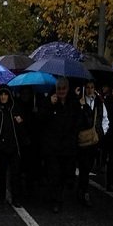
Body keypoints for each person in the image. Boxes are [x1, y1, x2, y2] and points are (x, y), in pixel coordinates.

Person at [37, 77, 81, 213]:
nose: (61, 91)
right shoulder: (49, 101)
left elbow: (77, 123)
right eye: (59, 89)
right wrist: (50, 105)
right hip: (52, 146)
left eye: (63, 89)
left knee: (63, 174)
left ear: (67, 89)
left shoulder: (73, 103)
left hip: (67, 147)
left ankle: (59, 196)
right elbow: (40, 120)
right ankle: (55, 199)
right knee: (54, 174)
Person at [0, 87, 26, 207]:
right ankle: (0, 197)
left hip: (14, 147)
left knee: (15, 174)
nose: (3, 97)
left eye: (5, 94)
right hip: (1, 147)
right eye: (1, 94)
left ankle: (16, 198)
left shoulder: (15, 109)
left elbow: (21, 129)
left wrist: (20, 122)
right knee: (1, 174)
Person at [76, 81, 109, 207]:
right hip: (82, 140)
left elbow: (105, 118)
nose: (90, 90)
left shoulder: (99, 102)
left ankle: (82, 189)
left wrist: (101, 133)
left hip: (94, 140)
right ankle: (83, 191)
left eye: (92, 87)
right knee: (84, 167)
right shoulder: (80, 101)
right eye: (87, 87)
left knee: (88, 166)